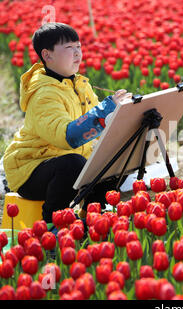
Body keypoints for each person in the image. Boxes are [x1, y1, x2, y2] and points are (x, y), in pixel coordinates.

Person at [3, 22, 132, 231]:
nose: (77, 53)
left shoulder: (81, 85)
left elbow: (96, 129)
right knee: (72, 164)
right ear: (47, 55)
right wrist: (107, 109)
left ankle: (92, 220)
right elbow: (67, 137)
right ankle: (53, 228)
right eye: (69, 48)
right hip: (32, 169)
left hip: (71, 162)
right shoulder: (43, 93)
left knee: (115, 160)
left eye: (79, 46)